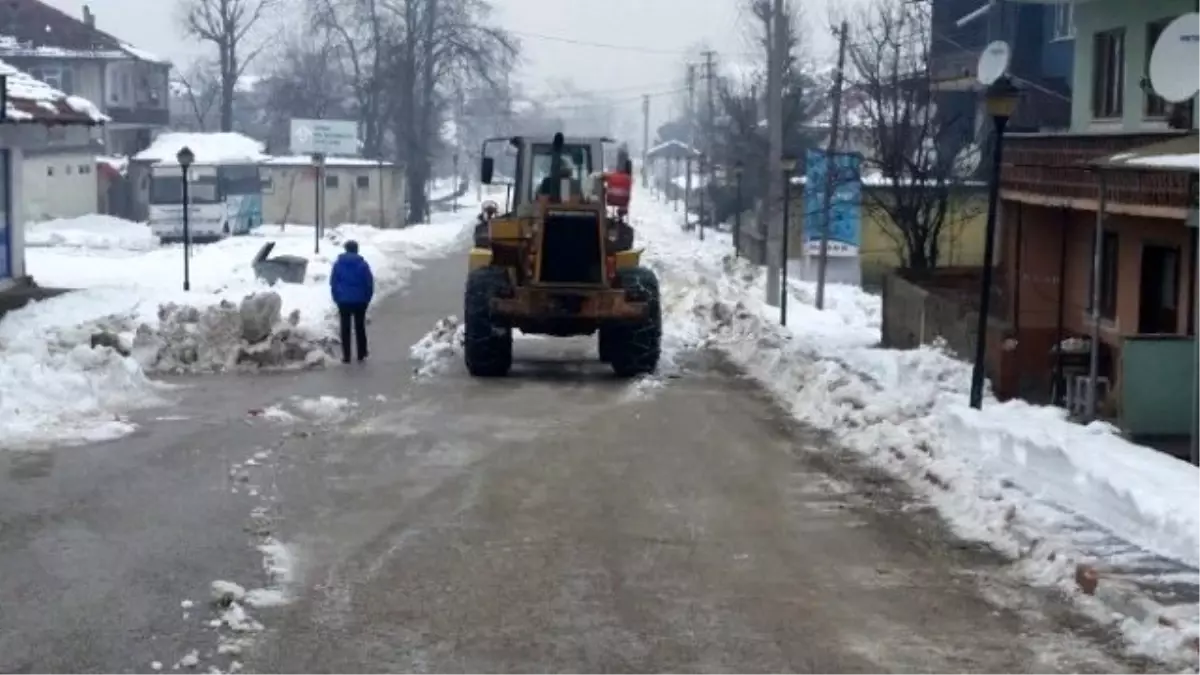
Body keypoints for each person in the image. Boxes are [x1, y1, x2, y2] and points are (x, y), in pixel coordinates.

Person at [329, 240, 374, 363]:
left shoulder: (338, 264)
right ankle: (361, 352)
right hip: (360, 300)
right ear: (357, 249)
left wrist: (336, 297)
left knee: (345, 328)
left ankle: (346, 355)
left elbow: (333, 282)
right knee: (360, 327)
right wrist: (367, 298)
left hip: (343, 301)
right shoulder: (363, 265)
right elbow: (369, 283)